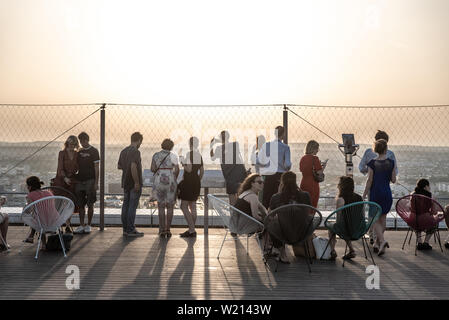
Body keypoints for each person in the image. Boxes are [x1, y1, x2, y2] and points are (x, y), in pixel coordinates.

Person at [359, 130, 398, 245]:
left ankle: (373, 237)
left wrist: (370, 170)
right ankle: (379, 241)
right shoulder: (391, 157)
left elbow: (362, 169)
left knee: (373, 216)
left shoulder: (369, 155)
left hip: (374, 190)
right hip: (386, 190)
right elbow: (394, 177)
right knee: (383, 217)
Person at [328, 176, 364, 260]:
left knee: (332, 228)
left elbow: (339, 220)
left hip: (347, 231)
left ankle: (332, 251)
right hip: (359, 229)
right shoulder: (360, 198)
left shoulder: (341, 200)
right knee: (347, 226)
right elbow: (362, 215)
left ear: (341, 186)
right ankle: (351, 250)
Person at [257, 126, 292, 209]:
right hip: (280, 176)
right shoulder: (285, 147)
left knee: (267, 199)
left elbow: (258, 161)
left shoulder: (266, 145)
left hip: (268, 175)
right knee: (279, 199)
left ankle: (266, 218)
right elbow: (287, 165)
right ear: (283, 134)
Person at [151, 138, 180, 238]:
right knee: (170, 206)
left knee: (161, 206)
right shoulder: (174, 156)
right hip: (170, 181)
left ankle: (162, 230)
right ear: (171, 146)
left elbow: (152, 169)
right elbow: (177, 169)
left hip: (159, 181)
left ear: (162, 145)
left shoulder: (156, 155)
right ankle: (168, 229)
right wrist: (173, 178)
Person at [118, 132, 144, 237]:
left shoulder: (123, 151)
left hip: (125, 181)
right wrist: (137, 182)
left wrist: (126, 167)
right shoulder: (136, 152)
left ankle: (125, 229)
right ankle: (130, 229)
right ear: (138, 141)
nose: (140, 144)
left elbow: (119, 166)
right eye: (140, 142)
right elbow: (133, 166)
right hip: (133, 183)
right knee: (132, 207)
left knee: (126, 205)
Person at [210, 130, 247, 206]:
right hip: (240, 174)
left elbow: (213, 158)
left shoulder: (219, 149)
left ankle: (233, 217)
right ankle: (240, 215)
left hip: (229, 176)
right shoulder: (235, 145)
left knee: (232, 199)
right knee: (241, 197)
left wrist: (212, 145)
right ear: (229, 137)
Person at [73, 132, 99, 234]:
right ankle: (81, 225)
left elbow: (97, 168)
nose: (82, 143)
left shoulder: (94, 151)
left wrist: (96, 182)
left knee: (90, 203)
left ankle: (89, 224)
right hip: (79, 180)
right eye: (80, 141)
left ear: (87, 140)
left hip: (90, 180)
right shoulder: (79, 152)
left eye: (83, 141)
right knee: (80, 204)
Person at [178, 137, 204, 238]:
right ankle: (191, 229)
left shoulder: (189, 154)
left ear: (189, 143)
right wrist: (197, 180)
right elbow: (202, 171)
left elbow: (188, 169)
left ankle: (192, 230)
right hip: (196, 182)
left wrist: (182, 161)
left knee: (183, 206)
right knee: (193, 206)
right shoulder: (199, 155)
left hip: (188, 182)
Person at [23, 176, 59, 248]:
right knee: (40, 216)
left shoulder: (30, 195)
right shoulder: (49, 193)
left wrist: (24, 208)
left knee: (37, 218)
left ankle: (43, 244)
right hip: (55, 220)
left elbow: (30, 210)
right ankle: (31, 237)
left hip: (42, 223)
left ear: (29, 187)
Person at [53, 135, 79, 233]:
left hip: (71, 180)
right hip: (61, 180)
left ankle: (68, 225)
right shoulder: (62, 153)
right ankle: (58, 225)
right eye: (70, 144)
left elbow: (77, 168)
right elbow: (60, 168)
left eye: (74, 144)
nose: (72, 146)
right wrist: (65, 178)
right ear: (67, 144)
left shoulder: (77, 154)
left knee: (69, 204)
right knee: (59, 204)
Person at [411, 179, 439, 250]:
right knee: (434, 222)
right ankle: (426, 242)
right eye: (429, 186)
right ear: (426, 186)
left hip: (413, 220)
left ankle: (419, 242)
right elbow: (434, 212)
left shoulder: (412, 195)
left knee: (416, 222)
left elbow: (410, 208)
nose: (430, 188)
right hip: (425, 220)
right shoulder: (431, 196)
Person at [299, 140, 327, 208]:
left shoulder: (302, 158)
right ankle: (310, 217)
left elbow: (302, 170)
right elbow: (319, 173)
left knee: (304, 203)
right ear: (313, 149)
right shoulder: (315, 159)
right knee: (312, 205)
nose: (318, 150)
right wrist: (323, 167)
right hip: (313, 184)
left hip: (304, 183)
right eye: (317, 148)